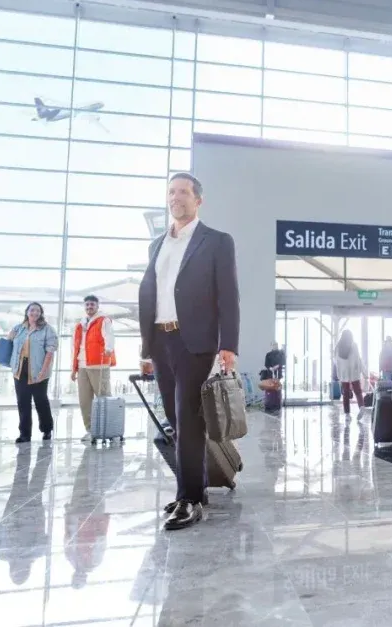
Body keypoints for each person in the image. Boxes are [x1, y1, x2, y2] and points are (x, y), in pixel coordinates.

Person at [139, 172, 240, 532]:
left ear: (198, 200)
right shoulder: (156, 245)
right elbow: (152, 294)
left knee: (187, 415)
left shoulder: (216, 242)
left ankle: (189, 498)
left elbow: (228, 295)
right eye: (171, 191)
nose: (175, 197)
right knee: (176, 417)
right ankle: (195, 489)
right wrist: (146, 347)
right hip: (161, 340)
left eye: (183, 191)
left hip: (195, 341)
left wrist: (228, 344)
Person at [6, 302, 57, 444]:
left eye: (38, 311)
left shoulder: (47, 329)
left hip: (39, 369)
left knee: (41, 400)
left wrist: (43, 371)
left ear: (41, 313)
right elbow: (9, 343)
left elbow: (50, 352)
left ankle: (47, 429)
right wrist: (9, 335)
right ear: (27, 312)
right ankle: (24, 434)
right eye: (32, 310)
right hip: (20, 369)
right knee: (23, 402)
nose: (35, 313)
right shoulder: (19, 328)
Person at [71, 294, 116, 442]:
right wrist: (74, 368)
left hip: (99, 363)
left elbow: (109, 336)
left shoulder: (103, 320)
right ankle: (90, 430)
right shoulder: (80, 324)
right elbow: (75, 346)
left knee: (103, 397)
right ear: (84, 307)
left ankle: (110, 430)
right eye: (87, 305)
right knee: (85, 400)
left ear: (97, 306)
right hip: (82, 365)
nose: (89, 307)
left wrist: (109, 349)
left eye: (92, 305)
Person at [334, 329, 367, 417]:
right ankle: (361, 407)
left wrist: (338, 375)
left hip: (344, 374)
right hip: (354, 373)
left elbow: (336, 362)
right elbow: (358, 359)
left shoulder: (338, 347)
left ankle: (347, 414)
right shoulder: (354, 345)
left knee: (345, 393)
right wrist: (364, 372)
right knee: (358, 392)